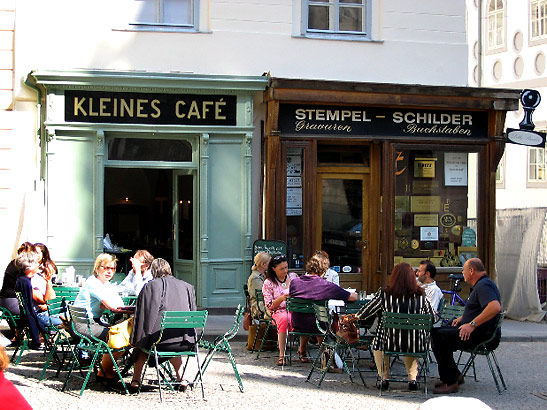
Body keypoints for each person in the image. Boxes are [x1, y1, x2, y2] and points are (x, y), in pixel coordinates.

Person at [355, 262, 434, 391]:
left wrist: (356, 316)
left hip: (388, 342)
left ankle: (384, 378)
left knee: (378, 341)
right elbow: (432, 317)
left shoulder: (385, 294)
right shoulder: (420, 295)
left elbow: (366, 311)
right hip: (415, 344)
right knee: (411, 337)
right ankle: (412, 379)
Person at [431, 258, 502, 394]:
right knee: (438, 331)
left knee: (439, 336)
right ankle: (455, 375)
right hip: (480, 332)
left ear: (471, 271)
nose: (462, 272)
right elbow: (481, 309)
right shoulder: (483, 284)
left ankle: (451, 382)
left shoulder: (484, 285)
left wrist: (472, 324)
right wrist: (463, 318)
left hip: (482, 336)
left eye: (464, 269)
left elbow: (495, 307)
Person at [130, 258, 197, 393]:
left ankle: (136, 380)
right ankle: (182, 378)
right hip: (185, 341)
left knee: (142, 343)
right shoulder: (188, 287)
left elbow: (144, 316)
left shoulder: (150, 286)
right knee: (171, 335)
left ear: (153, 271)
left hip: (161, 343)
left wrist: (137, 339)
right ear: (169, 270)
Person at [289, 251, 357, 363]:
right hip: (318, 325)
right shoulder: (325, 285)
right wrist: (357, 295)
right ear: (324, 271)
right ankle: (327, 358)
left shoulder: (295, 282)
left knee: (309, 315)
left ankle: (304, 350)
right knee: (326, 319)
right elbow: (352, 297)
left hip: (297, 323)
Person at [72, 253, 125, 382]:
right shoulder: (93, 283)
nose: (109, 271)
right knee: (120, 336)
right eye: (105, 268)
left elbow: (120, 304)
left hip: (94, 322)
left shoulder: (106, 285)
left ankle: (106, 368)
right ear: (97, 268)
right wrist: (108, 304)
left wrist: (109, 304)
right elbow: (112, 306)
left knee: (123, 333)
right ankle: (104, 371)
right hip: (83, 325)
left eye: (112, 268)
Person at [262, 254, 298, 366]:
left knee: (306, 316)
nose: (285, 270)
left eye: (286, 267)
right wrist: (281, 298)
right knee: (285, 318)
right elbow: (269, 305)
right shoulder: (268, 283)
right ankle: (282, 355)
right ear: (273, 269)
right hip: (277, 311)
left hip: (295, 308)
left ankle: (302, 350)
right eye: (281, 269)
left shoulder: (292, 278)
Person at [14, 250, 45, 349]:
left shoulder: (21, 279)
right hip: (30, 316)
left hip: (27, 315)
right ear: (30, 267)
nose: (38, 265)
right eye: (36, 263)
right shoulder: (26, 282)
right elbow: (29, 307)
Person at [0, 242, 36, 318]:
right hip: (11, 301)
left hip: (6, 299)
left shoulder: (14, 263)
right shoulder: (20, 266)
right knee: (37, 311)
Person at [31, 243, 61, 329]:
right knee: (66, 318)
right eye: (33, 252)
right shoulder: (32, 278)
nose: (35, 255)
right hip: (40, 312)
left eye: (37, 252)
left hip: (48, 308)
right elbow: (44, 300)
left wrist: (48, 280)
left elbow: (51, 299)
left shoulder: (46, 269)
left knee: (67, 313)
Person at [247, 251, 270, 319]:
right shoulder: (255, 278)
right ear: (263, 264)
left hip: (265, 304)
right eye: (269, 263)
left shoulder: (264, 275)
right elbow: (263, 295)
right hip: (259, 307)